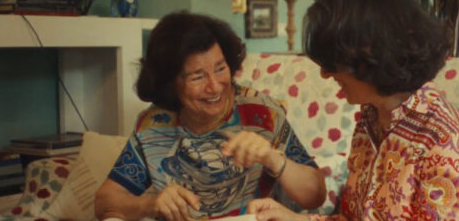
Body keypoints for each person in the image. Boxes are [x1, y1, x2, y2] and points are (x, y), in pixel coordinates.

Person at [247, 0, 459, 221]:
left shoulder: (446, 140)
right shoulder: (371, 117)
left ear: (372, 57)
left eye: (333, 62)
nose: (325, 74)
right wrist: (293, 219)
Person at [94, 11, 326, 221]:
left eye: (220, 68)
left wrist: (273, 158)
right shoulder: (155, 125)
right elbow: (105, 201)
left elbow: (315, 196)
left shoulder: (260, 113)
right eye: (197, 77)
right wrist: (150, 204)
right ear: (171, 83)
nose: (215, 87)